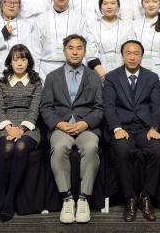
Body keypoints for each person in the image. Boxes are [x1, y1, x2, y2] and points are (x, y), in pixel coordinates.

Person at [40, 34, 103, 224]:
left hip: (86, 127)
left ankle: (83, 198)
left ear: (85, 51)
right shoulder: (52, 77)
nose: (75, 52)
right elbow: (46, 107)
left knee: (91, 147)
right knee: (59, 148)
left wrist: (86, 123)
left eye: (79, 48)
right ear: (64, 51)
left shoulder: (94, 76)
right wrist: (59, 124)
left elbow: (99, 108)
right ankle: (67, 198)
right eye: (71, 48)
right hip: (62, 126)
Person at [102, 40, 160, 222]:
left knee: (158, 151)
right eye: (128, 53)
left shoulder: (152, 77)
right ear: (122, 56)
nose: (132, 57)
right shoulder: (112, 77)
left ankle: (146, 196)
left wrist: (154, 127)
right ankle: (129, 197)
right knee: (122, 151)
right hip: (122, 127)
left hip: (145, 128)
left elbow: (157, 106)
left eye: (136, 53)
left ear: (142, 56)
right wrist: (116, 128)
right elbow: (108, 106)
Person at [0, 44, 43, 222]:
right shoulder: (1, 83)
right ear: (10, 62)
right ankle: (0, 196)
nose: (19, 63)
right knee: (8, 147)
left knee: (20, 146)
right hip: (5, 126)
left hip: (29, 127)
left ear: (29, 62)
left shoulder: (36, 82)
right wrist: (9, 127)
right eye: (16, 59)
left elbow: (34, 109)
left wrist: (21, 129)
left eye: (23, 59)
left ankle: (9, 197)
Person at [34, 0, 88, 79]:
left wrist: (81, 72)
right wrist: (36, 73)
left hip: (72, 68)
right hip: (45, 69)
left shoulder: (79, 19)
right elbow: (35, 49)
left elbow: (84, 47)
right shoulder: (41, 19)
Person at [0, 0, 39, 84]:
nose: (12, 5)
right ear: (1, 4)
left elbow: (33, 52)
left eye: (15, 3)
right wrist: (3, 34)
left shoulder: (27, 26)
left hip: (22, 76)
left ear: (19, 6)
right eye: (8, 2)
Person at [86, 0, 135, 79]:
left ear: (118, 7)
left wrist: (119, 74)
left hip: (123, 72)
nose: (109, 6)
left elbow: (131, 50)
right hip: (99, 74)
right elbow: (91, 54)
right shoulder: (93, 28)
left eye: (113, 3)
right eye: (105, 3)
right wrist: (103, 75)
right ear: (100, 7)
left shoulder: (127, 27)